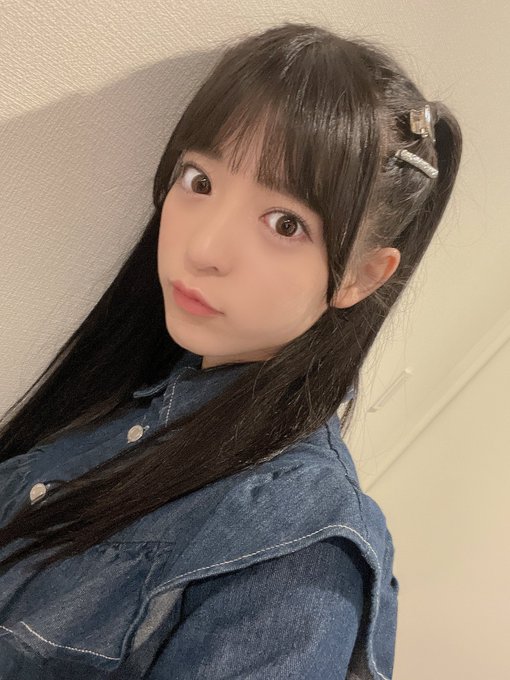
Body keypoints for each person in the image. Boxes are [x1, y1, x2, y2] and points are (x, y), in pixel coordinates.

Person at [0, 21, 462, 679]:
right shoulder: (128, 394)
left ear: (362, 277)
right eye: (199, 181)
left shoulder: (297, 551)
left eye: (285, 223)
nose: (204, 247)